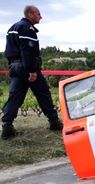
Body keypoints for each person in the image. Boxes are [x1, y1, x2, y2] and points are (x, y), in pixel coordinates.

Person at [2, 5, 63, 139]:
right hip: (27, 67)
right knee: (43, 93)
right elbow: (28, 51)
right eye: (38, 14)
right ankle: (54, 122)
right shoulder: (27, 29)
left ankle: (7, 127)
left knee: (15, 96)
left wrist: (15, 66)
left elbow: (10, 51)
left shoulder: (12, 28)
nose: (41, 17)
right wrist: (32, 71)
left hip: (14, 66)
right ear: (30, 14)